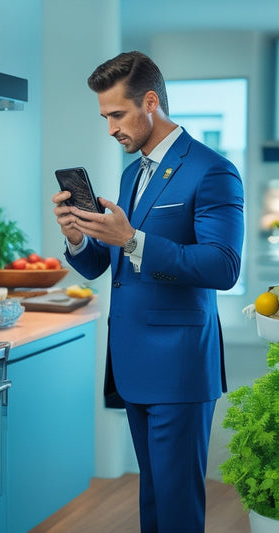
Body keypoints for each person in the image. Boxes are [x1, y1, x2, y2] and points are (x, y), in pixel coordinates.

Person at [52, 51, 244, 533]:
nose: (111, 128)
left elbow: (223, 266)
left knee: (177, 505)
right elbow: (107, 265)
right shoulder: (131, 173)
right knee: (154, 501)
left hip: (179, 367)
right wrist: (77, 236)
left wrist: (133, 239)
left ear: (151, 102)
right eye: (105, 117)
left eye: (117, 114)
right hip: (133, 361)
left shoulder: (212, 170)